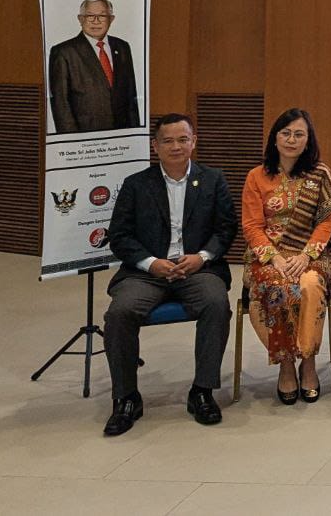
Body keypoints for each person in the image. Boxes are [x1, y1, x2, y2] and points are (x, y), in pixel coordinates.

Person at [102, 113, 234, 435]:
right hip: (146, 272)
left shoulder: (213, 180)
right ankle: (126, 397)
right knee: (119, 313)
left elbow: (226, 228)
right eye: (168, 140)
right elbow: (120, 236)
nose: (176, 146)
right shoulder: (136, 184)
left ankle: (202, 391)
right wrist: (151, 262)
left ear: (193, 142)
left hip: (197, 269)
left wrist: (202, 257)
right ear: (155, 145)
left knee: (217, 304)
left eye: (182, 139)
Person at [241, 108, 331, 405]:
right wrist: (275, 258)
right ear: (274, 138)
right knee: (280, 289)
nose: (292, 139)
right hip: (269, 256)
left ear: (308, 141)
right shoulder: (257, 176)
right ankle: (286, 364)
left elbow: (327, 221)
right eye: (285, 133)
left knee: (308, 285)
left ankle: (307, 361)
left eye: (299, 134)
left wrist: (306, 256)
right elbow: (251, 225)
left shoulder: (320, 174)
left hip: (311, 254)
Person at [47, 0, 141, 134]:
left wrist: (134, 134)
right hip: (85, 139)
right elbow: (61, 105)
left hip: (121, 138)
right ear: (80, 19)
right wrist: (72, 141)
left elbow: (130, 96)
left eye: (102, 16)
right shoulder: (63, 52)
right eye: (90, 16)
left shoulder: (122, 47)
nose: (96, 21)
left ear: (111, 19)